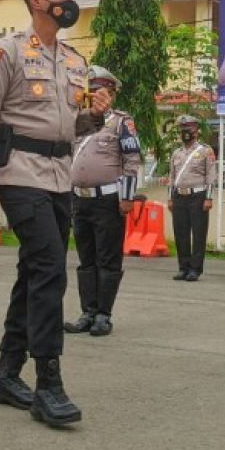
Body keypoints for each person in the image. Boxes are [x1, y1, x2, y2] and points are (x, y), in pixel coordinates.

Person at [0, 0, 110, 428]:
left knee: (33, 271)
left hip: (58, 175)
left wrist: (94, 116)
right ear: (36, 1)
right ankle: (49, 382)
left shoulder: (74, 61)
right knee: (49, 265)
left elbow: (70, 127)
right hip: (17, 172)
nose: (69, 3)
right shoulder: (5, 52)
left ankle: (6, 374)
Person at [64, 66, 141, 337]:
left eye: (103, 92)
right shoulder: (79, 122)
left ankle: (103, 315)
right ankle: (87, 311)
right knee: (86, 259)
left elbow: (132, 160)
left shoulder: (122, 122)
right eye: (93, 90)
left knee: (108, 259)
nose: (97, 96)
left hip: (108, 200)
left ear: (112, 95)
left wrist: (128, 197)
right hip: (80, 200)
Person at [167, 115, 216, 282]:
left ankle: (195, 269)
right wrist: (170, 198)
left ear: (196, 130)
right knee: (180, 233)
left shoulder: (205, 151)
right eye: (182, 129)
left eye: (189, 128)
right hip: (179, 196)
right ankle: (183, 267)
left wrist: (209, 198)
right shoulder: (176, 153)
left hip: (198, 196)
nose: (185, 132)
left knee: (198, 233)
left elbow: (211, 176)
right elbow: (171, 177)